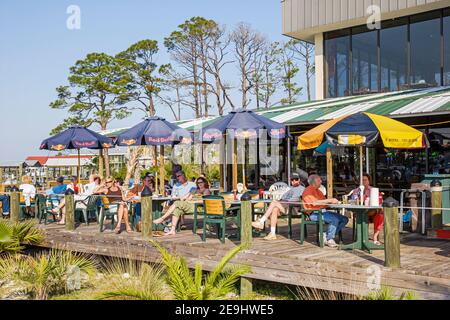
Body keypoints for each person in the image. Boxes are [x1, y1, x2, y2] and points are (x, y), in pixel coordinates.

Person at [252, 173, 305, 240]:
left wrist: (280, 202)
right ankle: (273, 234)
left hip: (292, 207)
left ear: (299, 180)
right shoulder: (288, 188)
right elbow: (283, 198)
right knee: (274, 209)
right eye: (292, 180)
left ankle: (261, 221)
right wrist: (280, 201)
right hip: (283, 205)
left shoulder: (302, 189)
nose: (294, 181)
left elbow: (302, 200)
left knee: (274, 202)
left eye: (296, 179)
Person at [302, 174, 349, 248]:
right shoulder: (308, 190)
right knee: (334, 219)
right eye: (319, 180)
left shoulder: (318, 191)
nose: (321, 181)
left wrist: (334, 203)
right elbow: (314, 203)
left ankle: (326, 235)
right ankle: (329, 238)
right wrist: (330, 200)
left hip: (324, 211)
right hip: (314, 214)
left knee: (344, 219)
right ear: (314, 182)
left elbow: (324, 203)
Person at [351, 173, 383, 245]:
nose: (363, 182)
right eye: (362, 180)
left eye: (365, 180)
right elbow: (352, 201)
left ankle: (375, 236)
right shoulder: (356, 191)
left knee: (380, 216)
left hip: (372, 212)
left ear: (369, 181)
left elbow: (379, 201)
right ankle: (363, 237)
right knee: (364, 216)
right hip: (361, 212)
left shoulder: (373, 190)